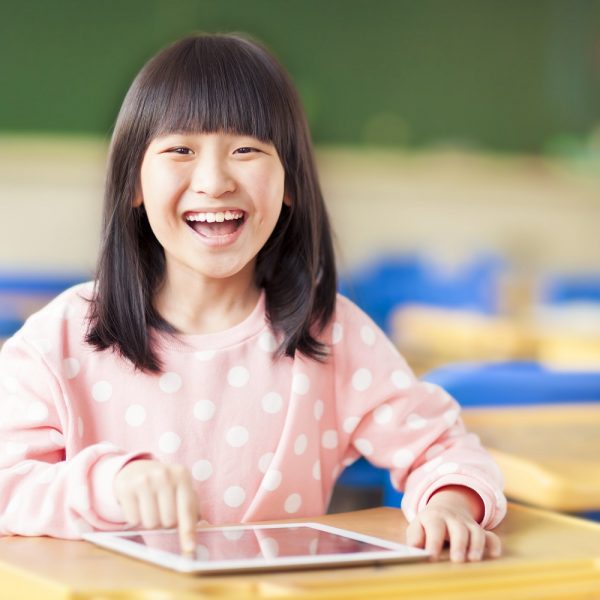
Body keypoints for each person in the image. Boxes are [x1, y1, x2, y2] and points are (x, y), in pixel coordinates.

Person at [0, 33, 505, 562]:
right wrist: (110, 485)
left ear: (290, 183)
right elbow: (9, 487)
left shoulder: (328, 334)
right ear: (134, 184)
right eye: (180, 150)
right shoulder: (57, 342)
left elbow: (443, 448)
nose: (215, 181)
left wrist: (450, 502)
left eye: (246, 150)